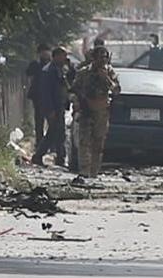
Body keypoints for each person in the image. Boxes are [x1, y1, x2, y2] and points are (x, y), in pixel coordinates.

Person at [71, 46, 120, 179]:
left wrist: (106, 78)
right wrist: (76, 102)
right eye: (100, 57)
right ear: (94, 58)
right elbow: (74, 90)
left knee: (98, 142)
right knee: (84, 141)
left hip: (101, 111)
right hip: (86, 109)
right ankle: (84, 171)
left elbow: (116, 90)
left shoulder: (110, 72)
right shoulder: (83, 72)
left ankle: (94, 172)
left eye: (105, 57)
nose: (103, 60)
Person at [31, 47, 71, 166]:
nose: (65, 58)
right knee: (54, 132)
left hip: (59, 105)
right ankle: (39, 156)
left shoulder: (58, 69)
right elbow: (46, 92)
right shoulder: (48, 70)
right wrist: (50, 109)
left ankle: (59, 158)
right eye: (63, 56)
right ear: (57, 56)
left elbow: (64, 86)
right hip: (53, 106)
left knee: (58, 132)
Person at [25, 44, 52, 147]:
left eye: (47, 51)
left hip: (50, 95)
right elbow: (28, 73)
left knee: (52, 121)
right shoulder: (36, 64)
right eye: (43, 52)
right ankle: (40, 142)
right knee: (39, 120)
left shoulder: (52, 64)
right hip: (38, 95)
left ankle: (50, 143)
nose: (45, 54)